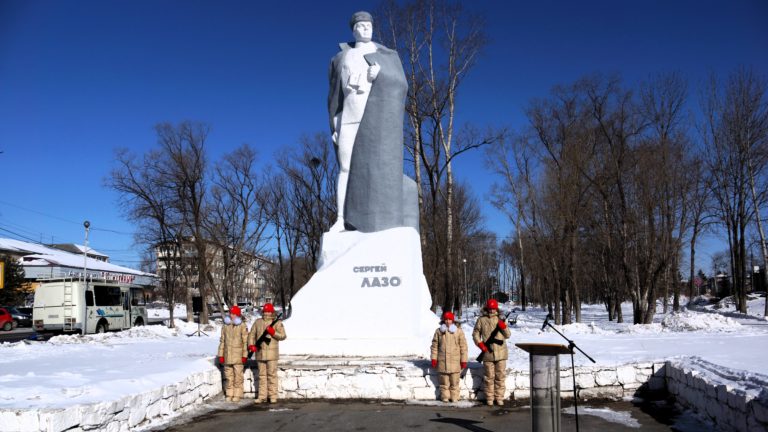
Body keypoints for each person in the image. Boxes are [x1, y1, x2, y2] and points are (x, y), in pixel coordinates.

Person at [328, 11, 410, 233]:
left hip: (376, 118)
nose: (366, 29)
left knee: (376, 167)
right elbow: (335, 94)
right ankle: (341, 218)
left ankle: (376, 219)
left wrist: (380, 75)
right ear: (353, 29)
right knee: (345, 168)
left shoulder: (386, 54)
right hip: (349, 118)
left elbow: (401, 85)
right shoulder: (340, 58)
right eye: (361, 26)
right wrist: (335, 122)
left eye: (369, 26)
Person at [472, 299, 511, 406]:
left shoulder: (501, 319)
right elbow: (475, 334)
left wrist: (504, 326)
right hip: (487, 353)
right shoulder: (481, 320)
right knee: (489, 377)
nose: (492, 310)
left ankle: (499, 398)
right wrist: (480, 344)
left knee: (500, 377)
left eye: (494, 308)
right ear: (486, 308)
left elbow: (507, 335)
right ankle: (489, 398)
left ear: (496, 309)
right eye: (490, 308)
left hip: (501, 353)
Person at [248, 303, 286, 403]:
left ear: (272, 312)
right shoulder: (258, 322)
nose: (267, 313)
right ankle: (262, 396)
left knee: (272, 375)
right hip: (260, 353)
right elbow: (251, 335)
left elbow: (283, 336)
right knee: (262, 376)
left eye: (268, 311)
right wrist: (251, 345)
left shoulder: (277, 323)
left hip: (272, 354)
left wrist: (273, 332)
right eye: (265, 311)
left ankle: (273, 396)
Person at [430, 311, 468, 402]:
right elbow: (434, 346)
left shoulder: (458, 332)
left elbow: (463, 347)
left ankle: (454, 397)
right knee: (444, 382)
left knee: (454, 382)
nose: (448, 321)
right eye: (446, 319)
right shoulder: (439, 332)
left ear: (453, 320)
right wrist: (434, 358)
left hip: (455, 362)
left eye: (450, 319)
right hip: (442, 362)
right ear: (443, 320)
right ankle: (445, 397)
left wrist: (464, 360)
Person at [217, 305, 248, 402]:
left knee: (238, 376)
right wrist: (221, 354)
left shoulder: (242, 326)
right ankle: (229, 393)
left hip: (238, 355)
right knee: (228, 376)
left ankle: (237, 394)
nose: (232, 315)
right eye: (231, 313)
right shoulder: (225, 326)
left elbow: (245, 342)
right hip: (227, 355)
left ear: (238, 315)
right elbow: (222, 341)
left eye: (234, 314)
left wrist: (244, 355)